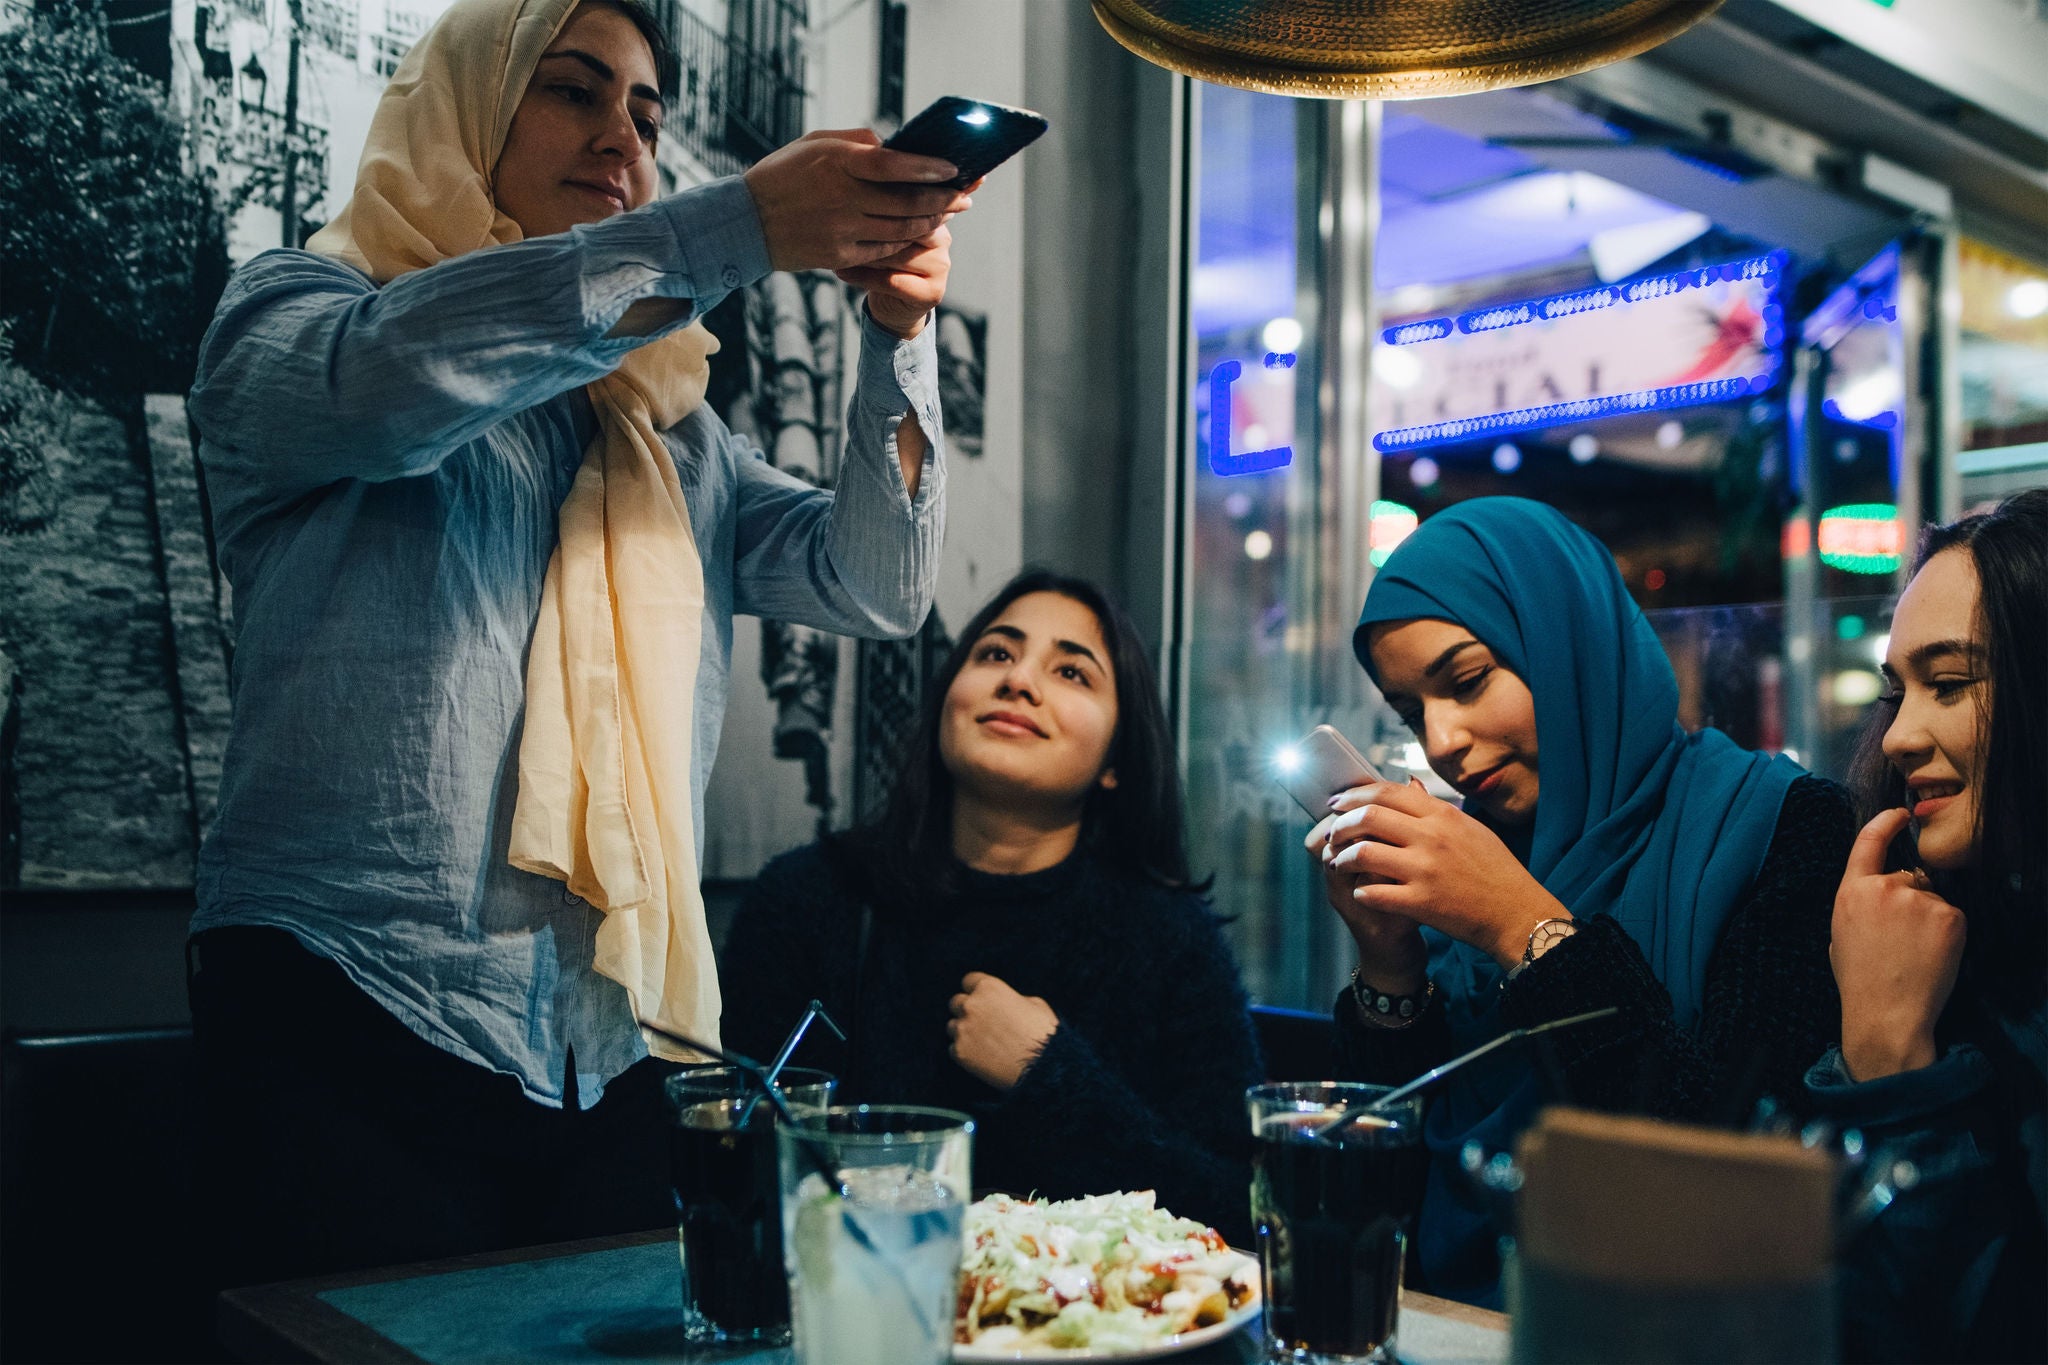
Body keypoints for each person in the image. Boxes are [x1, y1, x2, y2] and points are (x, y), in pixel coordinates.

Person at [184, 0, 970, 1286]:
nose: (622, 139)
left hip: (606, 1041)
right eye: (573, 92)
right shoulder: (302, 310)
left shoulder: (670, 430)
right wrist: (738, 227)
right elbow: (397, 393)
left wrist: (895, 339)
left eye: (649, 119)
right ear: (464, 113)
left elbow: (872, 581)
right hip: (345, 1008)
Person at [1312, 496, 1853, 1305]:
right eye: (1410, 711)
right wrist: (1390, 968)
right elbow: (1372, 1206)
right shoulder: (1479, 852)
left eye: (1466, 680)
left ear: (1569, 645)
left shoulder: (1781, 825)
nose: (1442, 742)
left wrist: (1522, 925)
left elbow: (1731, 1172)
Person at [719, 571, 1263, 1243]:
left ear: (1116, 758)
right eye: (996, 654)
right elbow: (732, 1172)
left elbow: (1243, 1209)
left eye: (1072, 671)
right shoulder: (808, 901)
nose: (1019, 681)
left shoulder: (1172, 939)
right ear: (947, 696)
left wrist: (1049, 1071)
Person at [1805, 489, 2047, 1365]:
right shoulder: (1957, 951)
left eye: (1948, 684)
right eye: (1896, 693)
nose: (1900, 735)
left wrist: (1891, 1062)